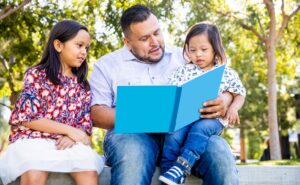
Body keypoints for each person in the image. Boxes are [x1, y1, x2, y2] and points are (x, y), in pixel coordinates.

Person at [90, 4, 239, 185]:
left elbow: (225, 78)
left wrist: (226, 99)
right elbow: (96, 114)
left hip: (186, 136)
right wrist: (149, 114)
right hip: (132, 136)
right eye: (145, 38)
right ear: (127, 42)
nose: (154, 42)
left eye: (157, 32)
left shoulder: (186, 56)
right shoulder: (106, 66)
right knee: (133, 155)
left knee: (220, 153)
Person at [0, 20, 104, 185]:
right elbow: (29, 117)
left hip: (67, 143)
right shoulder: (36, 75)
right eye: (79, 45)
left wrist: (73, 137)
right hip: (33, 140)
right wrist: (70, 130)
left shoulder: (83, 86)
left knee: (88, 172)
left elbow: (84, 131)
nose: (84, 52)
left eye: (87, 48)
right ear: (58, 45)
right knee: (34, 172)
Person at [159, 22, 246, 185]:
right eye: (192, 50)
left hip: (211, 119)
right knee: (173, 134)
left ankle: (183, 165)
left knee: (201, 128)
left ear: (215, 49)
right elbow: (170, 94)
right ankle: (168, 173)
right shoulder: (183, 71)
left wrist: (233, 108)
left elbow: (239, 93)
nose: (198, 54)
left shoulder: (225, 72)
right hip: (185, 117)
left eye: (204, 50)